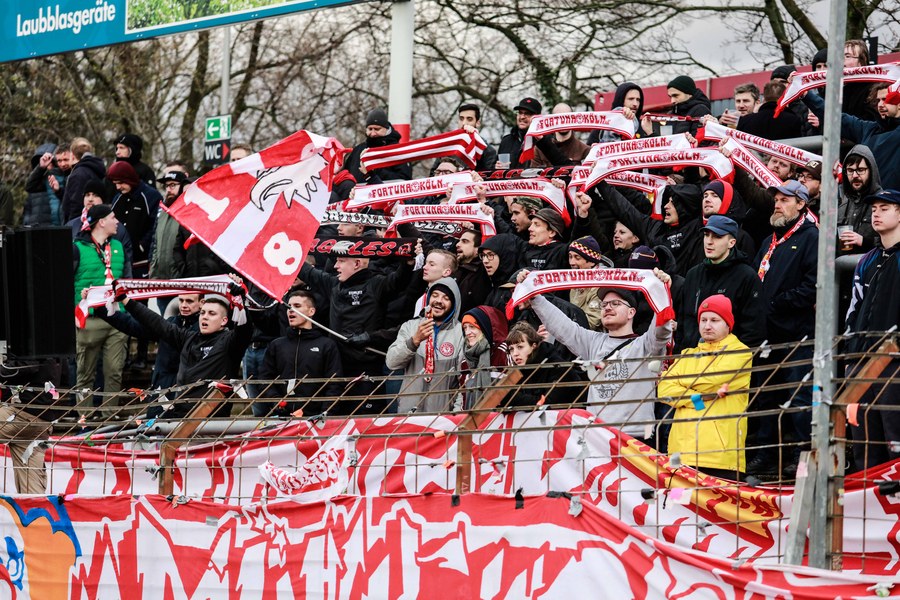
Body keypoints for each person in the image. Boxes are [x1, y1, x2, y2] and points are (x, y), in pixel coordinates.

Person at [529, 270, 675, 445]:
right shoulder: (593, 342)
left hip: (635, 439)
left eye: (615, 303)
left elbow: (661, 330)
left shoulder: (646, 344)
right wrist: (533, 296)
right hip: (598, 438)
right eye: (604, 304)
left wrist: (662, 293)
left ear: (631, 312)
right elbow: (562, 326)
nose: (607, 308)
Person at [747, 180, 818, 479]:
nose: (777, 204)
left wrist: (776, 303)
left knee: (799, 396)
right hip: (767, 334)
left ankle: (803, 455)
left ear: (801, 204)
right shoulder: (769, 241)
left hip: (797, 334)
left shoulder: (812, 237)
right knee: (766, 395)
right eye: (776, 199)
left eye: (785, 200)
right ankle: (767, 454)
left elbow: (813, 285)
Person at [114, 279, 251, 418]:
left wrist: (241, 304)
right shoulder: (188, 338)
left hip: (211, 421)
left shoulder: (230, 342)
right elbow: (156, 322)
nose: (205, 317)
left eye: (212, 313)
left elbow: (244, 329)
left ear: (224, 321)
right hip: (181, 416)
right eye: (203, 313)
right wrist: (126, 300)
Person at [658, 295, 752, 481]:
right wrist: (698, 399)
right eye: (703, 320)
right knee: (678, 501)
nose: (707, 325)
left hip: (719, 458)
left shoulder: (740, 353)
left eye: (714, 320)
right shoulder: (687, 354)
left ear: (728, 324)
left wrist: (681, 382)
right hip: (681, 454)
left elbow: (712, 381)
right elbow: (664, 389)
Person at [845, 189, 900, 471]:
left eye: (885, 208)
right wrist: (850, 356)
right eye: (874, 208)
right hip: (860, 362)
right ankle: (869, 499)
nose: (876, 213)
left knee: (895, 441)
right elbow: (853, 310)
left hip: (894, 364)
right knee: (864, 445)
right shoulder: (866, 260)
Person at [72, 204, 130, 417]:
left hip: (117, 318)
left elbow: (126, 279)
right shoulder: (77, 248)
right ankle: (84, 420)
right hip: (90, 320)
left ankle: (109, 420)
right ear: (101, 222)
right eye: (113, 217)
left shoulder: (118, 246)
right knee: (85, 374)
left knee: (114, 371)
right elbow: (65, 283)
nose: (117, 222)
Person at [677, 215, 766, 352]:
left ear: (732, 242)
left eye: (717, 237)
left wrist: (737, 360)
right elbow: (683, 323)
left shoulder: (747, 277)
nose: (709, 241)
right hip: (691, 359)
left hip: (728, 360)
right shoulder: (692, 275)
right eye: (706, 235)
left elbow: (753, 332)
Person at [255, 290, 343, 418]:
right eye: (288, 306)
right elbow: (264, 379)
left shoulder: (327, 345)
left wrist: (324, 414)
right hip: (283, 418)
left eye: (297, 306)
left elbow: (335, 384)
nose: (290, 310)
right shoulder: (277, 345)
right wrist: (277, 403)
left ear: (311, 311)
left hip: (316, 420)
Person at [386, 278, 465, 413]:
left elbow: (463, 381)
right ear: (428, 298)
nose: (439, 301)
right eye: (435, 295)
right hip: (409, 414)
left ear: (454, 304)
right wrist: (414, 341)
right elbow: (392, 362)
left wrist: (455, 415)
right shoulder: (411, 326)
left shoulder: (460, 333)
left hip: (443, 416)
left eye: (446, 298)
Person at [503, 321, 585, 409]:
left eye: (520, 347)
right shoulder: (517, 370)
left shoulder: (557, 367)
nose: (515, 354)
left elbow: (547, 404)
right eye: (511, 349)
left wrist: (513, 398)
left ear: (533, 346)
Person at [334, 108, 412, 200]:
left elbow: (404, 182)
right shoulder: (358, 150)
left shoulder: (397, 151)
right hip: (355, 201)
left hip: (385, 201)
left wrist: (376, 171)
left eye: (377, 129)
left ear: (387, 129)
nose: (373, 133)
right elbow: (347, 175)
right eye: (370, 129)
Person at [459, 305, 509, 409]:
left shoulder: (502, 352)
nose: (467, 332)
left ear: (484, 328)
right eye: (465, 328)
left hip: (499, 416)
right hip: (471, 416)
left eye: (472, 327)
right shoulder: (465, 359)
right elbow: (462, 396)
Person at [838, 145, 883, 256]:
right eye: (850, 170)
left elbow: (893, 241)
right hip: (841, 264)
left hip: (872, 264)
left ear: (871, 170)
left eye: (860, 170)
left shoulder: (883, 202)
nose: (854, 175)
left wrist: (863, 241)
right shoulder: (843, 203)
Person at [62, 137, 106, 223]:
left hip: (80, 223)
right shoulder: (96, 169)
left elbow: (76, 204)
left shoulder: (78, 174)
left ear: (72, 155)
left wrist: (72, 226)